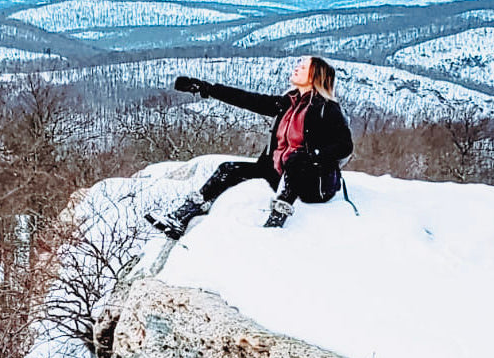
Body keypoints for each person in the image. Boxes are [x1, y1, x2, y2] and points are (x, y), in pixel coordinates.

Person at [146, 56, 353, 237]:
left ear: (315, 76)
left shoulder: (328, 108)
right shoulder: (288, 103)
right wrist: (206, 88)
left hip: (313, 184)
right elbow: (248, 99)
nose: (297, 68)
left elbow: (345, 146)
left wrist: (312, 156)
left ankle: (276, 221)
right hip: (280, 172)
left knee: (296, 159)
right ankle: (182, 217)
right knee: (229, 169)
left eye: (304, 67)